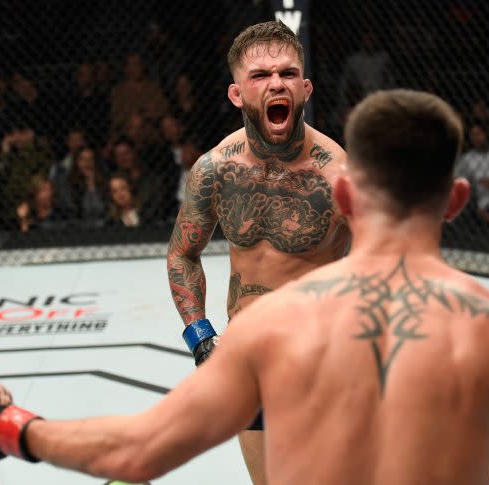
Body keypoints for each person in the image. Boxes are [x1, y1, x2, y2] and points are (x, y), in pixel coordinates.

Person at [0, 89, 489, 485]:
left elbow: (137, 451)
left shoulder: (274, 324)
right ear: (455, 199)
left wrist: (6, 426)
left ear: (346, 197)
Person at [165, 20, 350, 485]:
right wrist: (200, 335)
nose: (276, 84)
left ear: (305, 87)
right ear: (236, 93)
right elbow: (182, 254)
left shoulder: (342, 176)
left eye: (287, 73)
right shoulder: (214, 170)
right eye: (260, 75)